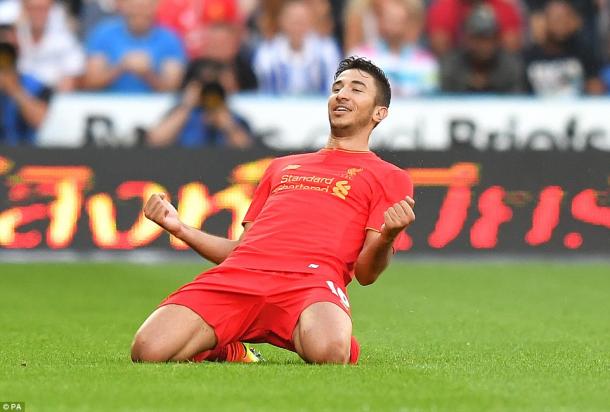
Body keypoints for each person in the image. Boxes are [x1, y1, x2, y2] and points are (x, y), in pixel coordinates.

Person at [131, 56, 416, 365]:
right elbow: (241, 251)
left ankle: (331, 332)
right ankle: (229, 349)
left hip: (311, 282)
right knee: (148, 350)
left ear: (379, 112)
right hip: (240, 276)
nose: (342, 94)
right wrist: (180, 228)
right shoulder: (281, 166)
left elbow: (365, 274)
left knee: (330, 354)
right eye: (337, 87)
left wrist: (387, 237)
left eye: (356, 89)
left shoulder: (390, 177)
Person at [82, 0, 186, 93]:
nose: (139, 12)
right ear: (123, 6)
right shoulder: (103, 33)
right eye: (134, 6)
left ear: (156, 6)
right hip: (109, 107)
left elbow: (172, 88)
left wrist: (147, 73)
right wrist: (121, 67)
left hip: (157, 108)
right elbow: (91, 83)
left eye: (145, 6)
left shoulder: (170, 39)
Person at [147, 59, 253, 148]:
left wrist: (227, 125)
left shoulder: (233, 117)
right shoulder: (180, 112)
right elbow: (155, 141)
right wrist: (187, 105)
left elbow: (247, 149)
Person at [350, 0, 438, 96]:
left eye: (398, 20)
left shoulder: (426, 61)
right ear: (380, 21)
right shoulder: (360, 57)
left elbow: (430, 98)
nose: (393, 27)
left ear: (409, 23)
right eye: (389, 19)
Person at [253, 0, 341, 95]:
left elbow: (333, 88)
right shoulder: (267, 53)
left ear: (311, 21)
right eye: (293, 21)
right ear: (282, 21)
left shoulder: (327, 51)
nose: (297, 27)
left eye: (302, 21)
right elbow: (262, 89)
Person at [523, 0, 604, 96]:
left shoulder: (583, 53)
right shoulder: (530, 56)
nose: (561, 24)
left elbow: (595, 90)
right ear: (545, 21)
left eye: (565, 18)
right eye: (557, 19)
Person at [440, 4, 523, 93]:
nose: (484, 45)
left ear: (497, 39)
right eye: (479, 38)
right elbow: (445, 101)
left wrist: (490, 84)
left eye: (489, 38)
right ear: (467, 39)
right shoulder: (452, 66)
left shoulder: (510, 67)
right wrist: (468, 83)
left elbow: (516, 102)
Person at [0, 2, 51, 145]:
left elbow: (42, 121)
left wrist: (14, 89)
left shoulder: (35, 85)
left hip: (23, 159)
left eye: (12, 37)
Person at [16, 0, 85, 91]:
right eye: (33, 9)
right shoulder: (12, 34)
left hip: (51, 95)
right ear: (24, 9)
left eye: (43, 9)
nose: (38, 13)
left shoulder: (65, 38)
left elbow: (73, 73)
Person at [426, 0, 523, 56]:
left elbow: (512, 51)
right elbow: (439, 49)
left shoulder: (505, 9)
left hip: (497, 69)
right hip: (457, 70)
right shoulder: (443, 8)